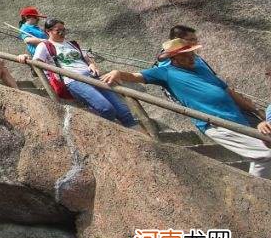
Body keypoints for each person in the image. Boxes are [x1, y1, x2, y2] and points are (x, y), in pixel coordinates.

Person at [103, 32, 270, 178]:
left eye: (192, 53)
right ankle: (261, 194)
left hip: (237, 119)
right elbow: (135, 76)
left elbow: (227, 91)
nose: (191, 57)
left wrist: (255, 111)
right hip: (214, 123)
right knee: (265, 154)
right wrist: (117, 72)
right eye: (186, 55)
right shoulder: (165, 72)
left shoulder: (200, 67)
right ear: (174, 58)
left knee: (261, 154)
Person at [27, 18, 134, 126]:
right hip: (73, 80)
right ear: (48, 31)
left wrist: (92, 65)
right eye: (58, 30)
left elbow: (86, 58)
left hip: (93, 76)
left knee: (124, 111)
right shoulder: (45, 45)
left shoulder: (71, 44)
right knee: (106, 108)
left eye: (64, 30)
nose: (62, 33)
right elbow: (37, 62)